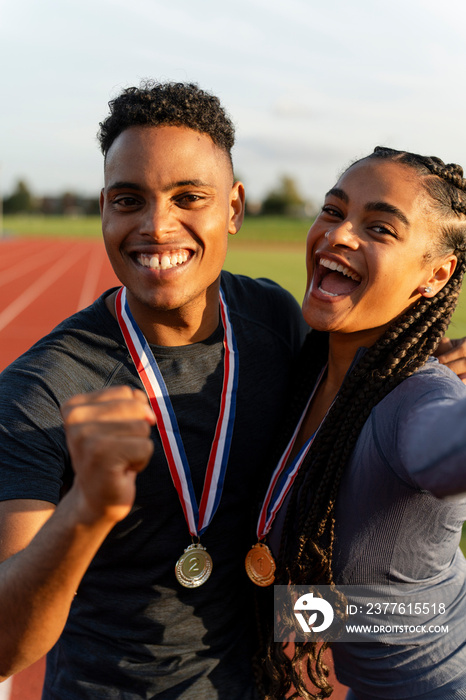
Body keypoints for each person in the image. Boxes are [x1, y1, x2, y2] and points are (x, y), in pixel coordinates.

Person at [0, 81, 309, 699]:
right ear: (106, 209)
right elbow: (6, 648)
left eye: (188, 197)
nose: (157, 226)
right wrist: (85, 512)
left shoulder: (275, 321)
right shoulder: (41, 388)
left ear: (234, 208)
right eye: (129, 199)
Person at [258, 147, 466, 700]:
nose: (339, 235)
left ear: (435, 274)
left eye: (379, 227)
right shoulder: (315, 374)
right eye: (333, 210)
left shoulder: (418, 405)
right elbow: (386, 613)